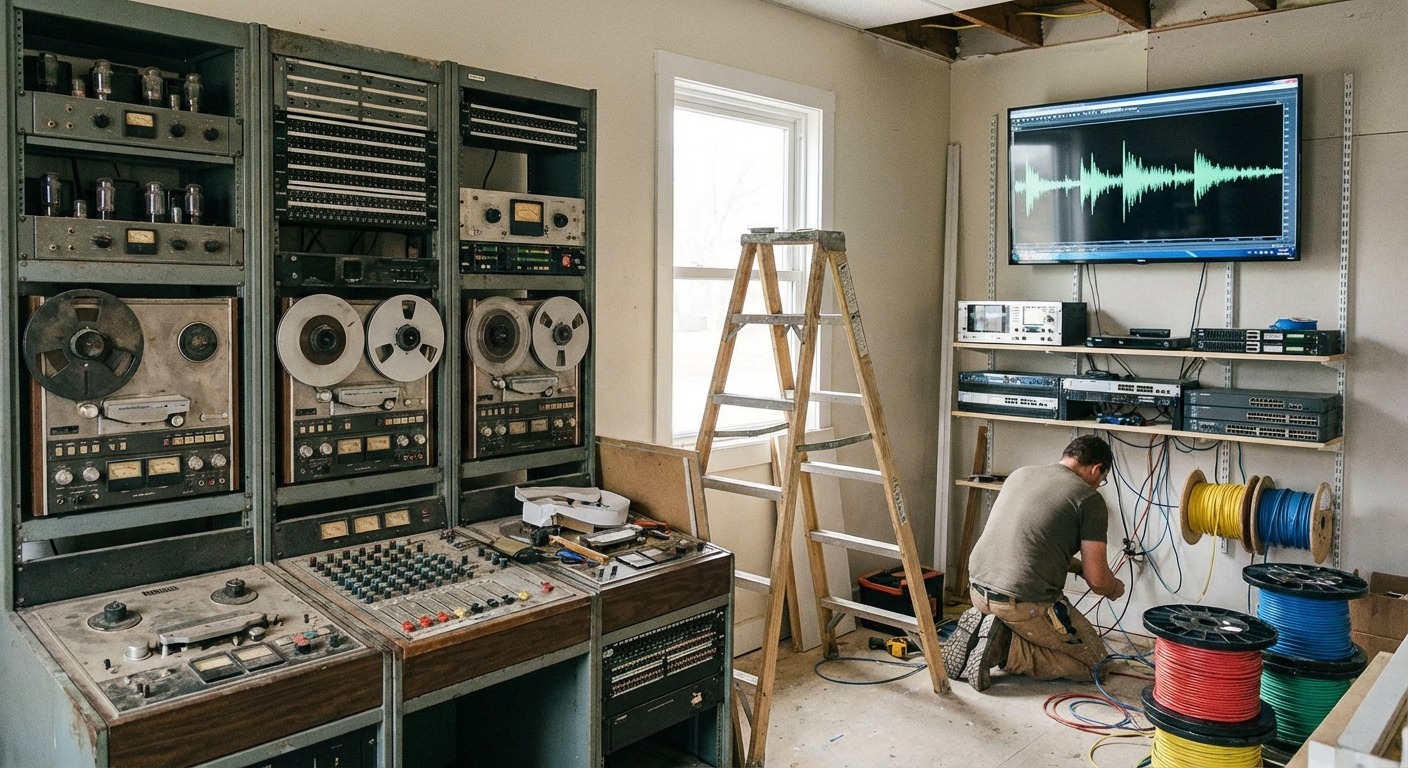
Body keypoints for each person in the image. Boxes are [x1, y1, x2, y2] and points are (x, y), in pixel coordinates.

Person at [941, 435, 1125, 691]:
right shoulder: (1089, 499)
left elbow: (1032, 545)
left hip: (977, 589)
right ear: (1096, 469)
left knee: (1049, 635)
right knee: (1095, 664)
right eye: (1101, 480)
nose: (1098, 485)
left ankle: (989, 627)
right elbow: (1098, 582)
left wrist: (1078, 567)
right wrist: (1114, 587)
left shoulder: (1021, 474)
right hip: (1021, 604)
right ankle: (1004, 647)